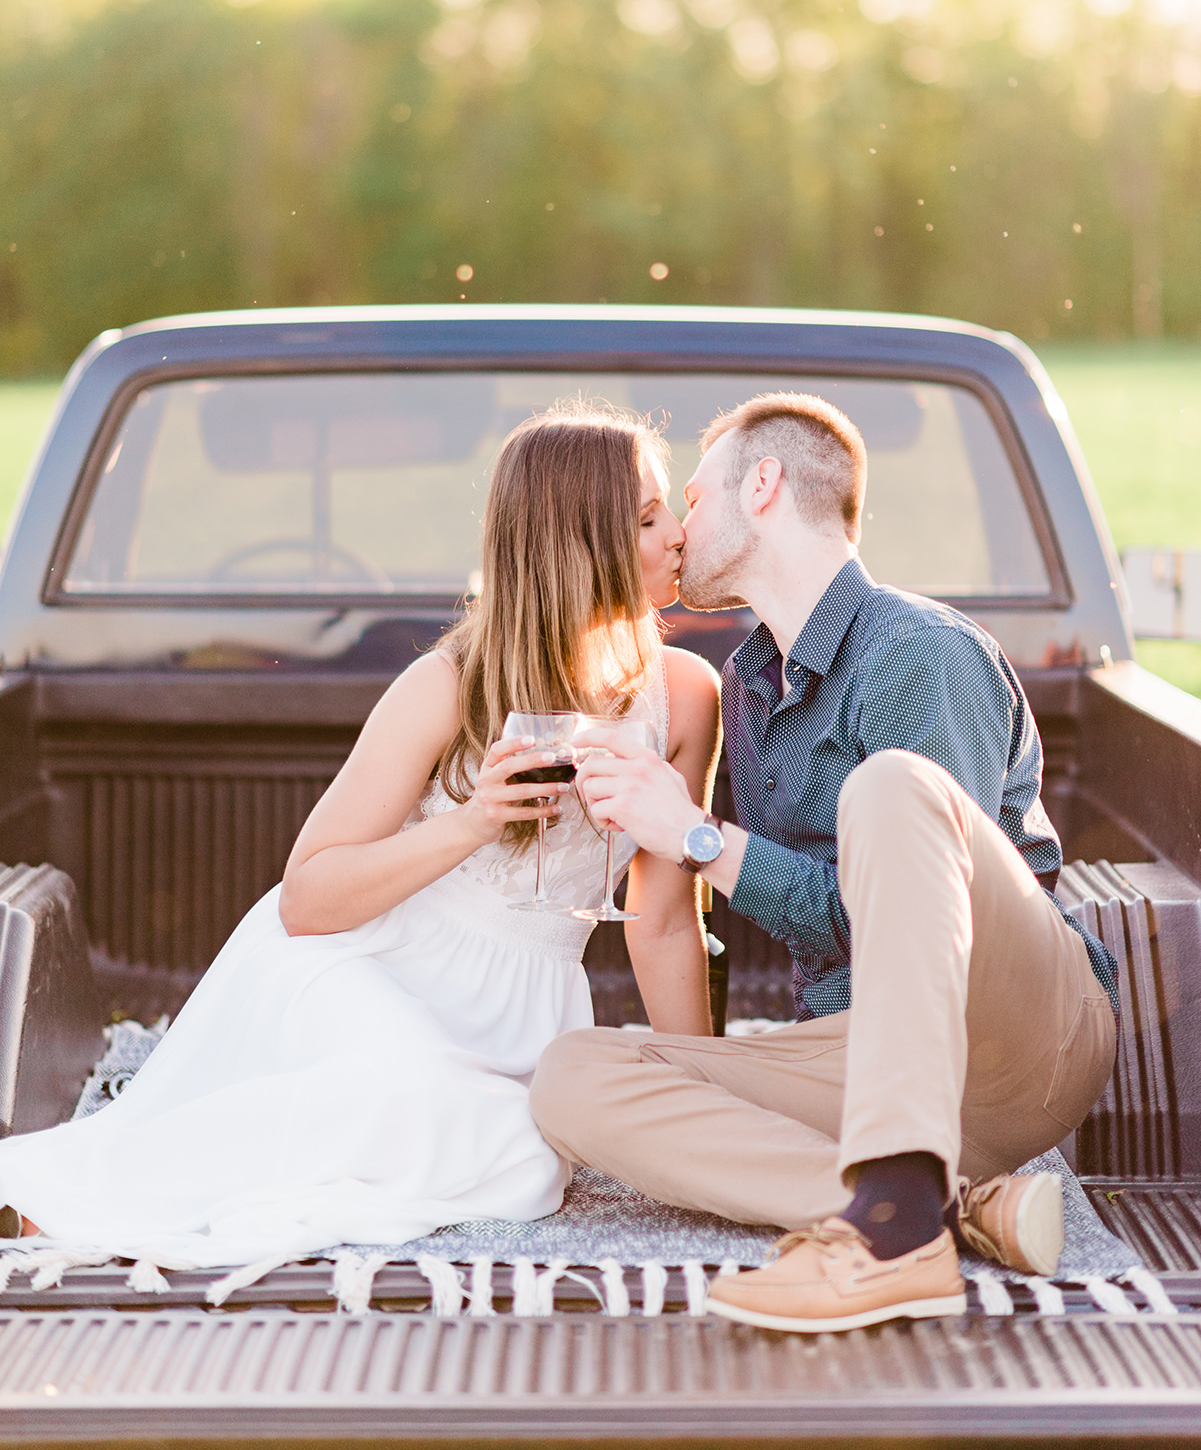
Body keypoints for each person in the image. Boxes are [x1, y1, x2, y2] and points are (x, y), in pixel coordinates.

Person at [0, 404, 720, 1279]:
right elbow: (307, 902)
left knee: (528, 1165)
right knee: (407, 1092)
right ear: (579, 545)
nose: (678, 533)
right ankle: (41, 1198)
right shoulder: (449, 687)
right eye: (647, 519)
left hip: (527, 1001)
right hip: (362, 963)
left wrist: (705, 1101)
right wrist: (473, 821)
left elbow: (663, 923)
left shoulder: (685, 696)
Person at [531, 391, 1119, 1334]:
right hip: (859, 1055)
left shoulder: (914, 652)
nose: (678, 530)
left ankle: (892, 1227)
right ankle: (939, 1213)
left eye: (692, 495)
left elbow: (921, 923)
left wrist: (695, 836)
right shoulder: (747, 683)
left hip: (1010, 1038)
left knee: (890, 787)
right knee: (570, 1074)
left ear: (761, 485)